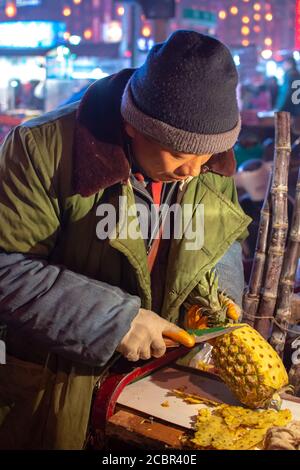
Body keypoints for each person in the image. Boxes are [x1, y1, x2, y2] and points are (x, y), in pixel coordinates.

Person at [0, 30, 250, 449]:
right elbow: (6, 265)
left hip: (154, 384)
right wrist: (115, 320)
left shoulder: (206, 160)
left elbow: (219, 237)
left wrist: (220, 295)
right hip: (55, 382)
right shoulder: (42, 148)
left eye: (205, 155)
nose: (192, 169)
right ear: (133, 125)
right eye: (178, 152)